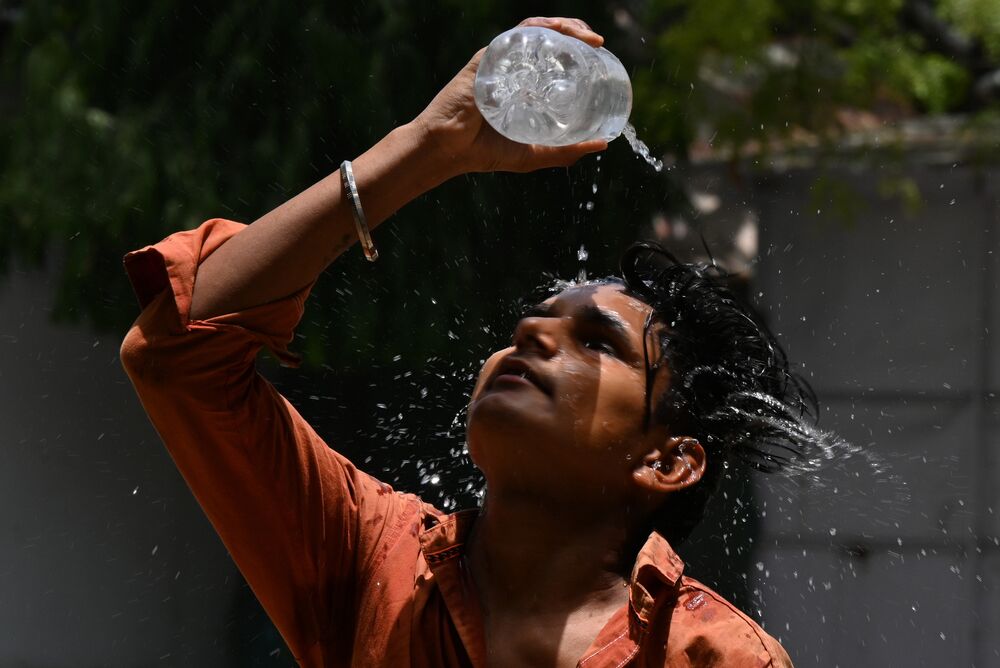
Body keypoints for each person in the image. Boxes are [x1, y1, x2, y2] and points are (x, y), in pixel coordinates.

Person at [120, 16, 805, 667]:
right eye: (528, 324)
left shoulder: (712, 654)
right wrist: (427, 147)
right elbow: (177, 354)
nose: (531, 333)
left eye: (597, 344)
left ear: (668, 462)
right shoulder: (373, 558)